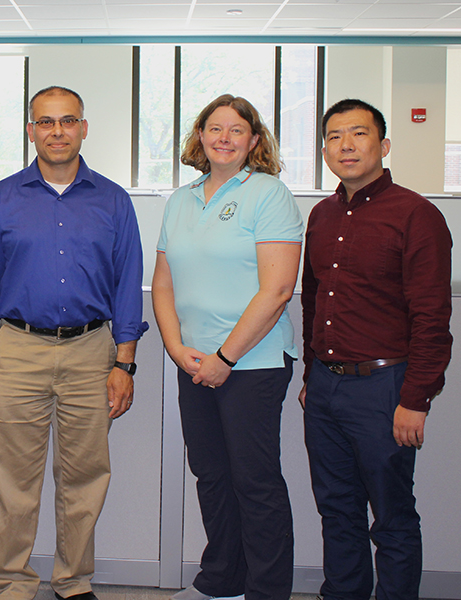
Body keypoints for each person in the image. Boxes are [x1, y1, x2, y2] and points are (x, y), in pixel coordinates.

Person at [0, 85, 147, 600]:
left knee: (85, 474)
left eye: (68, 121)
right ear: (31, 131)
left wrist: (124, 364)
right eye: (46, 122)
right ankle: (12, 582)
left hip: (93, 350)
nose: (58, 131)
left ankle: (73, 579)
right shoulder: (3, 197)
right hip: (18, 348)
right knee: (11, 477)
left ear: (84, 128)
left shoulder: (112, 199)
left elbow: (126, 283)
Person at [151, 94, 303, 600]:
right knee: (211, 475)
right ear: (199, 137)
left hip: (252, 364)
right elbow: (165, 284)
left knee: (254, 481)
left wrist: (225, 359)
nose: (223, 138)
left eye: (236, 130)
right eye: (214, 128)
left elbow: (277, 290)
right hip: (194, 361)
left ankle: (266, 590)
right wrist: (176, 347)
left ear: (254, 141)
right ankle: (221, 581)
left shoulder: (269, 194)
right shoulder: (181, 198)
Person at [300, 99, 452, 600]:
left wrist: (416, 398)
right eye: (335, 136)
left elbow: (432, 317)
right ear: (324, 150)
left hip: (386, 388)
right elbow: (313, 301)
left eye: (359, 134)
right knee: (337, 510)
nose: (346, 145)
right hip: (325, 385)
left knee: (390, 516)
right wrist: (309, 377)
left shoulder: (416, 214)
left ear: (383, 146)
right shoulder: (320, 216)